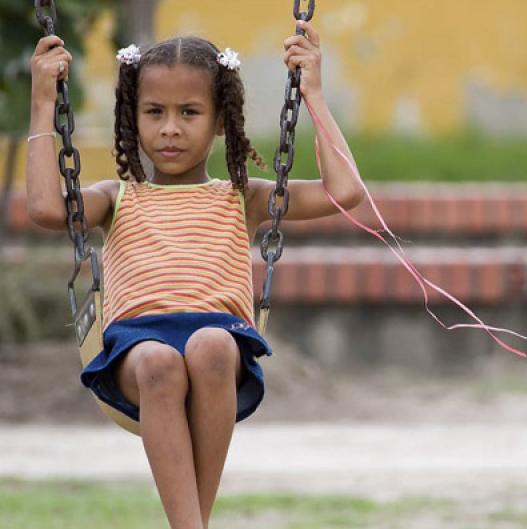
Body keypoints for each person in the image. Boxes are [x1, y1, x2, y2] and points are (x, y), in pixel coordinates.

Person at [26, 22, 365, 529]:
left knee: (210, 345)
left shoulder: (241, 196)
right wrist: (41, 105)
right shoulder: (116, 198)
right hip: (136, 353)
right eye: (154, 112)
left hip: (219, 344)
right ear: (132, 118)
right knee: (161, 361)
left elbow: (346, 192)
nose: (169, 129)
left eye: (189, 113)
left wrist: (312, 95)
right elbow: (46, 209)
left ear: (220, 121)